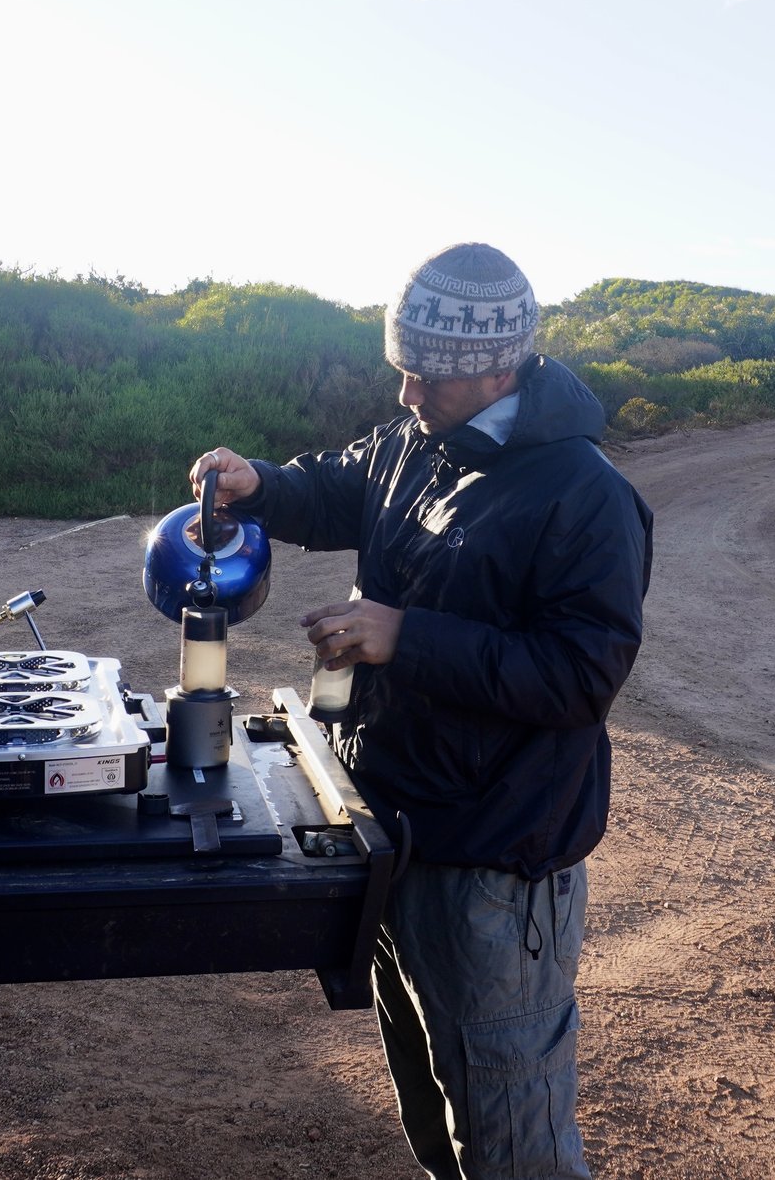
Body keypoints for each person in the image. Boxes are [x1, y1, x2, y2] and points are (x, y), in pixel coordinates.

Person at [188, 242, 653, 1180]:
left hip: (495, 869)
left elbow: (581, 674)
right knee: (441, 1120)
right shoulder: (420, 440)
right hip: (398, 832)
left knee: (513, 1148)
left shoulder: (584, 493)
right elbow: (341, 486)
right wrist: (260, 484)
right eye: (400, 370)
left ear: (499, 367)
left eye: (426, 376)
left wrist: (407, 636)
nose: (406, 394)